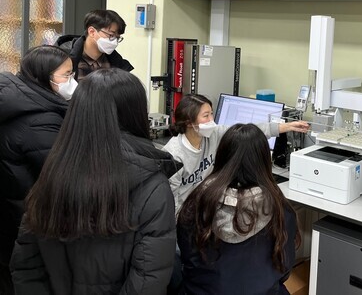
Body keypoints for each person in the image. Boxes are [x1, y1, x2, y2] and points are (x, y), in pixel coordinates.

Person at [10, 69, 181, 295]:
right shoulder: (151, 185)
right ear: (136, 113)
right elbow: (149, 278)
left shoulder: (53, 171)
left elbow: (27, 266)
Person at [177, 123, 299, 295]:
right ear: (264, 161)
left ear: (221, 156)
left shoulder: (197, 202)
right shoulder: (281, 210)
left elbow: (187, 259)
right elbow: (284, 268)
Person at [0, 46, 73, 294]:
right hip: (28, 218)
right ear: (44, 76)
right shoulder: (40, 121)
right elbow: (61, 174)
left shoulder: (19, 101)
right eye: (67, 75)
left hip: (10, 210)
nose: (72, 82)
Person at [163, 94, 309, 214]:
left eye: (211, 114)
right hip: (184, 214)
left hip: (204, 206)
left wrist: (286, 127)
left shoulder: (213, 134)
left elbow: (246, 131)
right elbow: (169, 202)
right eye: (206, 116)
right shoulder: (174, 155)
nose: (211, 120)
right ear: (189, 122)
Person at [55, 9, 133, 80]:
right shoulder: (63, 57)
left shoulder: (115, 62)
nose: (115, 42)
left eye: (117, 38)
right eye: (111, 35)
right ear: (92, 32)